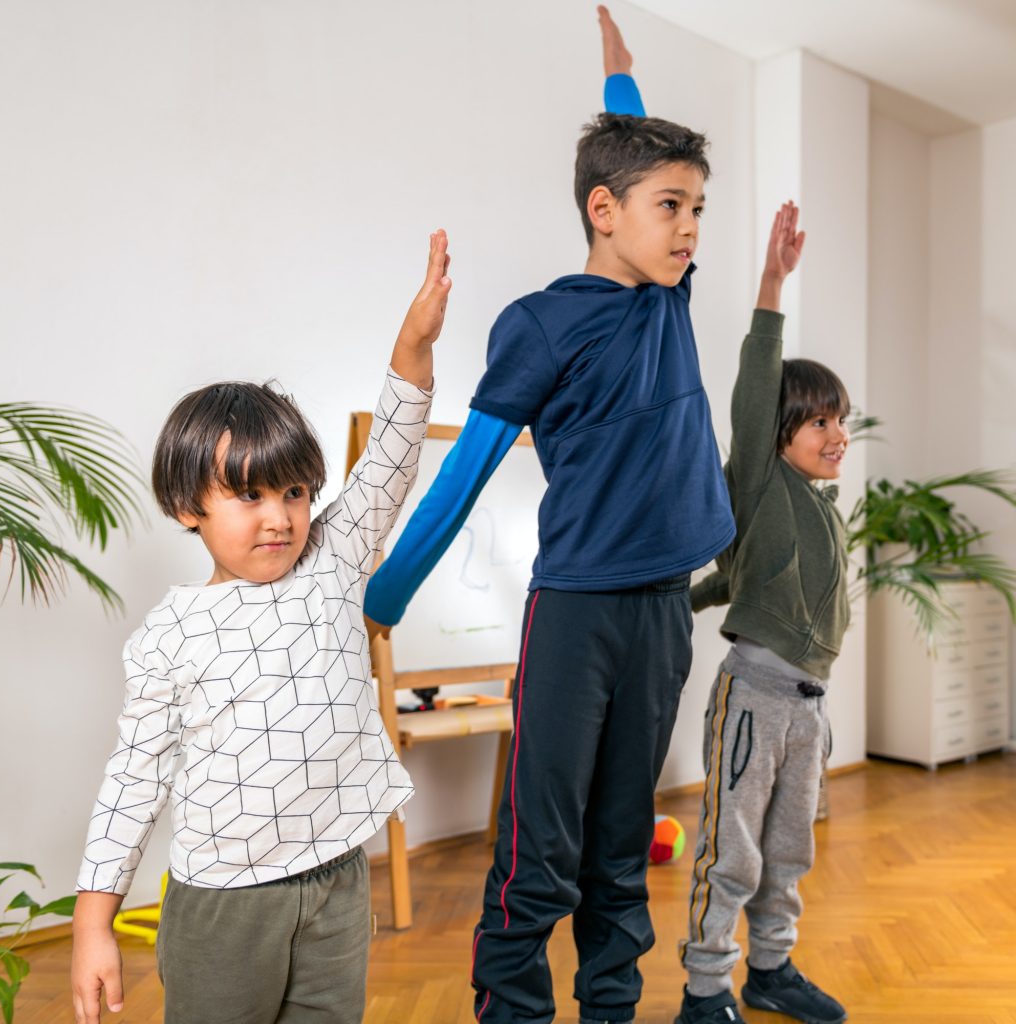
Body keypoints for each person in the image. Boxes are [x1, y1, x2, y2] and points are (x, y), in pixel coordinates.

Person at [363, 18, 734, 1023]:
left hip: (661, 614)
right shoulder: (538, 324)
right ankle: (513, 1009)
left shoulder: (668, 297)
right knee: (541, 846)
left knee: (624, 840)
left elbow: (626, 137)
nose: (691, 226)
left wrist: (618, 69)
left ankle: (608, 1007)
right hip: (574, 615)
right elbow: (466, 473)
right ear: (602, 212)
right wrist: (380, 596)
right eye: (672, 206)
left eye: (699, 207)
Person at [70, 231, 452, 1024]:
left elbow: (391, 456)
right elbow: (132, 783)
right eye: (249, 497)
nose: (280, 518)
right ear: (189, 508)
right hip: (223, 905)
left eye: (295, 492)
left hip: (337, 880)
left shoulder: (334, 558)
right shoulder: (173, 635)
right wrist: (92, 925)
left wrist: (413, 345)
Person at [677, 204, 850, 1024]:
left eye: (841, 421)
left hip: (809, 711)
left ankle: (772, 969)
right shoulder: (761, 477)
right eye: (820, 420)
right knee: (732, 851)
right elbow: (756, 376)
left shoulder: (818, 510)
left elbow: (744, 576)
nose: (837, 434)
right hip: (755, 696)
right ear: (777, 430)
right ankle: (706, 990)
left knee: (789, 850)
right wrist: (773, 281)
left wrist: (695, 595)